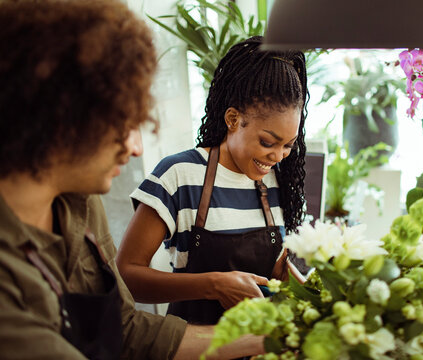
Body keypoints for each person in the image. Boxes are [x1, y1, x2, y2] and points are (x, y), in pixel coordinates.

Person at [0, 0, 263, 359]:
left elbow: (127, 330)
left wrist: (267, 335)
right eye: (123, 122)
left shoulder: (81, 203)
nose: (136, 147)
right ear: (59, 116)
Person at [116, 36, 308, 325]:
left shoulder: (276, 182)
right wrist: (212, 285)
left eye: (288, 145)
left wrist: (291, 284)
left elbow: (270, 281)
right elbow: (126, 275)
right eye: (268, 142)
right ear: (232, 119)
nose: (278, 156)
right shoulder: (179, 175)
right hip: (192, 347)